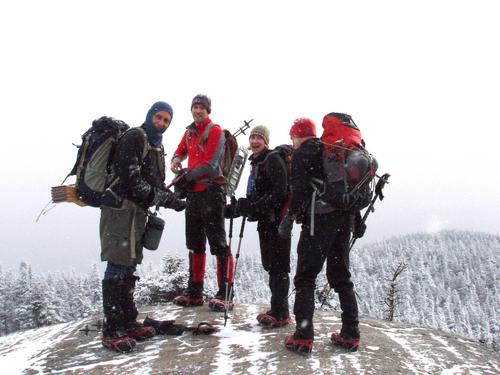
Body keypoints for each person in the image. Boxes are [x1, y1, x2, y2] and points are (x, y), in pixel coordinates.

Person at [100, 101, 186, 353]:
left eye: (166, 120)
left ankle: (128, 321)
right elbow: (132, 180)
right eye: (158, 117)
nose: (161, 123)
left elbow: (152, 184)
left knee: (129, 265)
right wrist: (162, 198)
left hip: (136, 212)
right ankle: (112, 329)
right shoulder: (135, 137)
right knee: (117, 265)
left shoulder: (156, 145)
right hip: (120, 209)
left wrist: (173, 200)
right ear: (149, 116)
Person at [279, 117, 361, 353]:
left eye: (292, 136)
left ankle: (303, 336)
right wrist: (354, 218)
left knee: (305, 277)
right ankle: (350, 333)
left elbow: (300, 190)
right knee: (341, 276)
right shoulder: (332, 151)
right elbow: (345, 190)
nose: (292, 141)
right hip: (343, 218)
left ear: (298, 135)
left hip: (319, 221)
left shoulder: (306, 151)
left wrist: (290, 217)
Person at [170, 94, 234, 312]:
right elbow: (179, 151)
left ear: (208, 111)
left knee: (218, 243)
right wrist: (176, 160)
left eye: (201, 108)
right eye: (195, 107)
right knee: (195, 242)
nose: (197, 111)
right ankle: (195, 292)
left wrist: (186, 176)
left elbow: (211, 165)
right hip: (194, 195)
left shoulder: (215, 131)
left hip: (212, 191)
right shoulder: (189, 132)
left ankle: (225, 293)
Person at [231, 125, 292, 327]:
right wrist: (247, 206)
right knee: (271, 265)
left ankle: (281, 313)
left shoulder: (272, 159)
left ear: (266, 141)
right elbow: (263, 193)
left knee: (278, 266)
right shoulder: (258, 162)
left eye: (259, 138)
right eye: (252, 138)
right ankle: (277, 309)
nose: (254, 141)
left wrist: (254, 206)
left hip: (277, 222)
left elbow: (280, 193)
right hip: (267, 221)